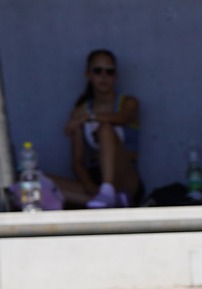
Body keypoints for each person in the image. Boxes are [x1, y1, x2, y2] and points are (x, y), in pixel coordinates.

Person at [49, 50, 142, 208]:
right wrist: (90, 187)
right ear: (88, 74)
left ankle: (108, 192)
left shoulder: (128, 102)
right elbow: (77, 162)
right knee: (36, 181)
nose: (104, 76)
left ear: (116, 76)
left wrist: (89, 117)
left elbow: (122, 118)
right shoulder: (80, 111)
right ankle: (105, 200)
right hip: (95, 179)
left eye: (109, 71)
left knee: (105, 129)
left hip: (125, 179)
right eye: (98, 71)